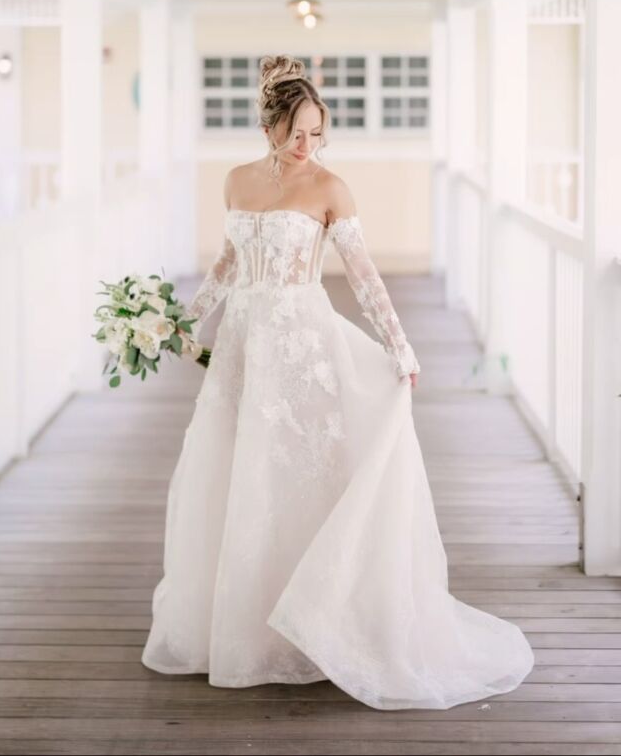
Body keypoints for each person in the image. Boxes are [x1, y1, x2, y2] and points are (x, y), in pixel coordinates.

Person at [141, 54, 535, 710]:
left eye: (318, 133)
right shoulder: (236, 182)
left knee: (299, 475)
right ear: (268, 126)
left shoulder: (330, 188)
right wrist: (176, 323)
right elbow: (228, 263)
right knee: (233, 474)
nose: (308, 146)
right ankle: (239, 629)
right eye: (297, 132)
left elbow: (363, 276)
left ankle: (317, 626)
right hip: (242, 345)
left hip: (301, 345)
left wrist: (400, 347)